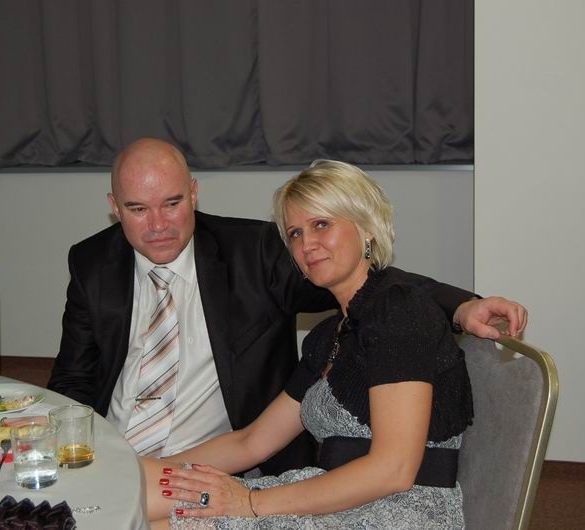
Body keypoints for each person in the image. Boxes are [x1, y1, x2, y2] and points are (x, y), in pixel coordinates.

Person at [47, 138, 526, 474]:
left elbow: (364, 278)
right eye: (137, 209)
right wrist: (87, 458)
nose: (158, 225)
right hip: (114, 451)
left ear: (193, 193)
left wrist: (459, 306)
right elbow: (72, 380)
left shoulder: (253, 253)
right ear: (114, 206)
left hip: (226, 460)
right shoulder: (91, 262)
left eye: (171, 203)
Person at [143, 160, 478, 529]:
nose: (307, 245)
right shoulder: (329, 335)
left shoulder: (398, 311)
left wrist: (251, 502)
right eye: (295, 233)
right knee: (141, 492)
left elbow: (394, 470)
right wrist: (146, 469)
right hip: (331, 496)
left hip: (400, 510)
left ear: (367, 227)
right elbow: (251, 443)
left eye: (321, 224)